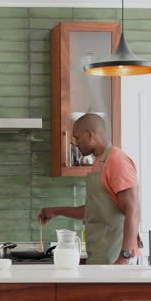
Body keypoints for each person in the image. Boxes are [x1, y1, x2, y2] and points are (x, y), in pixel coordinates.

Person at [38, 114, 142, 265]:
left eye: (77, 137)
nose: (75, 143)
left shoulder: (117, 161)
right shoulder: (99, 162)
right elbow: (94, 211)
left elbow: (134, 209)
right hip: (102, 254)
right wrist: (55, 210)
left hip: (115, 258)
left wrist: (125, 256)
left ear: (89, 134)